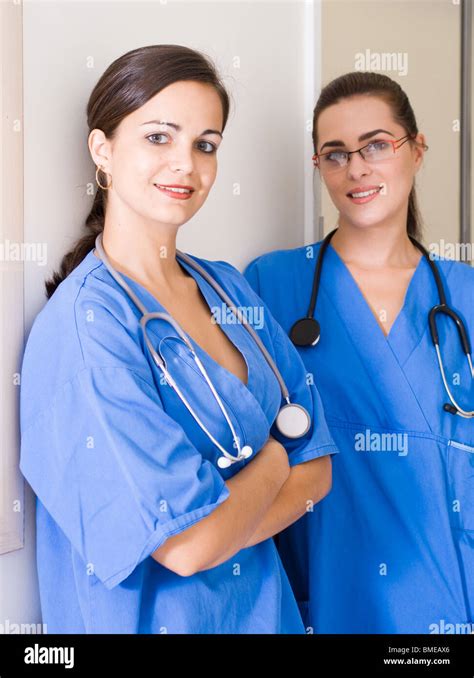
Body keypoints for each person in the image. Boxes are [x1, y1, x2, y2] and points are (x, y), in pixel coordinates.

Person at [19, 45, 338, 634]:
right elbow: (188, 547)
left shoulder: (227, 288)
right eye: (159, 137)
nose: (186, 165)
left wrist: (226, 520)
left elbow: (317, 469)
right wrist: (272, 462)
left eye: (205, 145)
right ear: (102, 150)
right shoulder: (88, 329)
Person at [244, 71, 474, 633]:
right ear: (318, 165)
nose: (357, 168)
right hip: (324, 586)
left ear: (417, 150)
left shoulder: (464, 293)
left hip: (449, 589)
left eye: (376, 145)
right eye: (336, 154)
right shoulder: (271, 285)